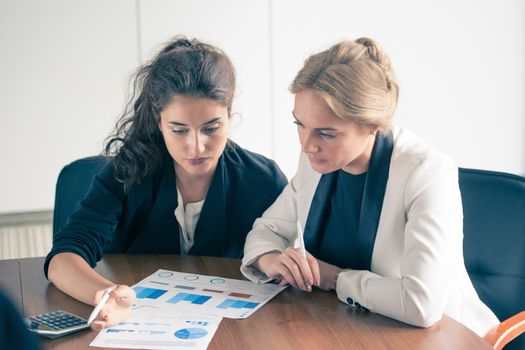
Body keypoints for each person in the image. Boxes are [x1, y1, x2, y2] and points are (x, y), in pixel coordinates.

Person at [240, 37, 499, 336]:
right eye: (300, 125)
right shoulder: (315, 161)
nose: (308, 145)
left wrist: (335, 279)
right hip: (350, 330)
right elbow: (265, 230)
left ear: (373, 125)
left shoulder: (427, 173)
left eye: (326, 133)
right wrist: (271, 259)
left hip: (443, 337)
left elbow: (421, 305)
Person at [45, 36, 288, 330]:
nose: (196, 147)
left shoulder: (264, 180)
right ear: (159, 121)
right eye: (179, 130)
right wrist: (107, 295)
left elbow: (277, 271)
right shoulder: (128, 170)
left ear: (229, 114)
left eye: (211, 128)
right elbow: (63, 259)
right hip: (138, 325)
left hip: (232, 330)